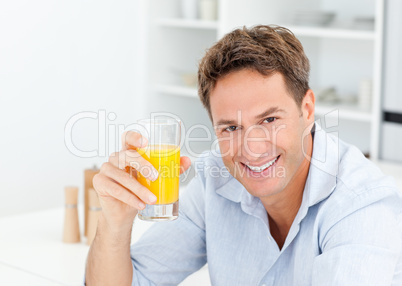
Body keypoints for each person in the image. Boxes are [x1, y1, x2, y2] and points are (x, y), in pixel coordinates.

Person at [85, 25, 402, 285]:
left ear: (307, 110)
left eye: (269, 120)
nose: (252, 147)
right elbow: (135, 281)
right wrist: (114, 222)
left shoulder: (360, 204)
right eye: (230, 128)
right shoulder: (216, 179)